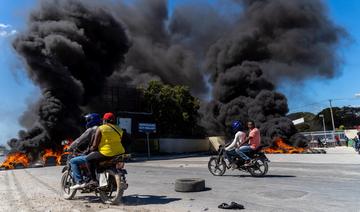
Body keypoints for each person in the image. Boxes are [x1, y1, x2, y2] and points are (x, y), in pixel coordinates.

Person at [86, 112, 125, 186]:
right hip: (120, 152)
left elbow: (94, 145)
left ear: (105, 120)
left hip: (106, 153)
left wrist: (89, 149)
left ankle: (93, 180)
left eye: (103, 120)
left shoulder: (101, 128)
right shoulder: (119, 129)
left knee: (88, 159)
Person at [69, 113, 101, 190]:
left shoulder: (91, 130)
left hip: (95, 153)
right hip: (105, 152)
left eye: (88, 120)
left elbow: (80, 140)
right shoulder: (102, 128)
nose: (87, 122)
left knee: (73, 161)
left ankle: (79, 182)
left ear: (92, 121)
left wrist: (70, 147)